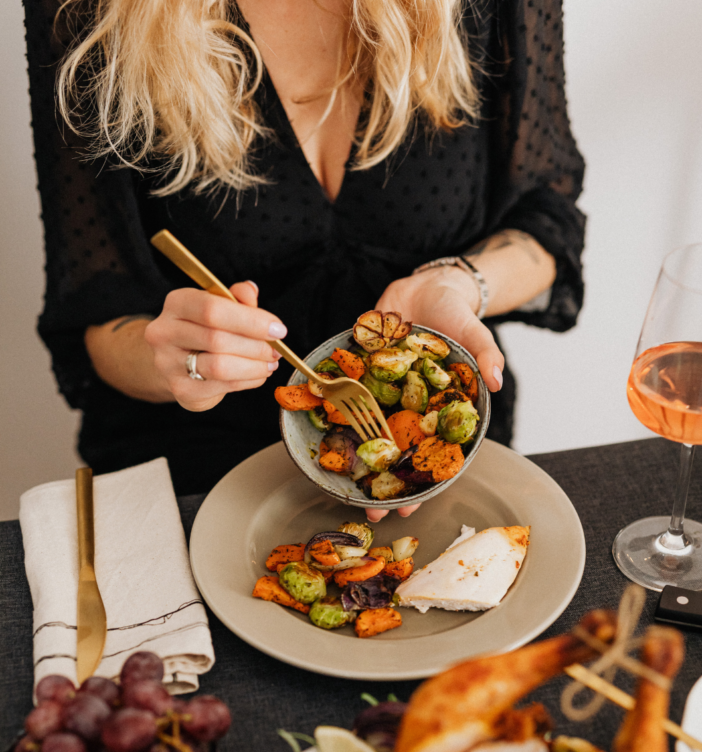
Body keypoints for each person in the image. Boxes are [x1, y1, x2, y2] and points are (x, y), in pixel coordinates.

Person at [24, 0, 584, 521]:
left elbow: (547, 215)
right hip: (192, 472)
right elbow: (97, 309)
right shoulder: (86, 10)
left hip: (437, 457)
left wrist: (461, 284)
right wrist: (177, 362)